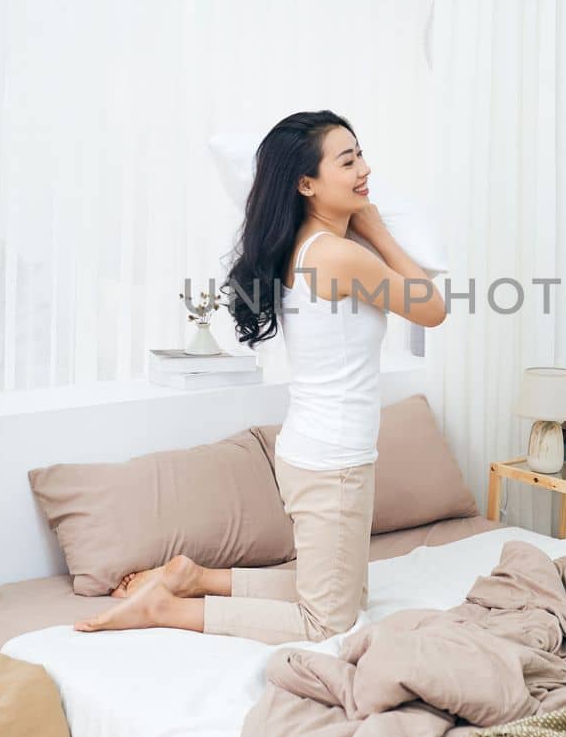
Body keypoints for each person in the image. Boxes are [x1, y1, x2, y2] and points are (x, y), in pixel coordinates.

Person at [77, 111, 445, 642]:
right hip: (333, 461)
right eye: (348, 161)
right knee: (328, 623)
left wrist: (364, 226)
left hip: (318, 453)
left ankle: (194, 577)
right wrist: (379, 230)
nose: (365, 170)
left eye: (361, 154)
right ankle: (165, 609)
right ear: (306, 184)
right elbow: (431, 309)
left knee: (348, 597)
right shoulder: (340, 256)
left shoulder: (305, 245)